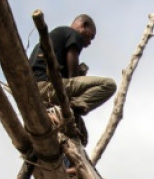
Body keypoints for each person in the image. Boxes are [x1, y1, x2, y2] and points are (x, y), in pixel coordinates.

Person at [28, 13, 117, 145]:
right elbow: (72, 75)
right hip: (47, 87)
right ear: (83, 25)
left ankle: (74, 108)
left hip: (36, 92)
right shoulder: (71, 33)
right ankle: (75, 106)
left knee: (80, 136)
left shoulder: (53, 38)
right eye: (91, 36)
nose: (89, 42)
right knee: (109, 85)